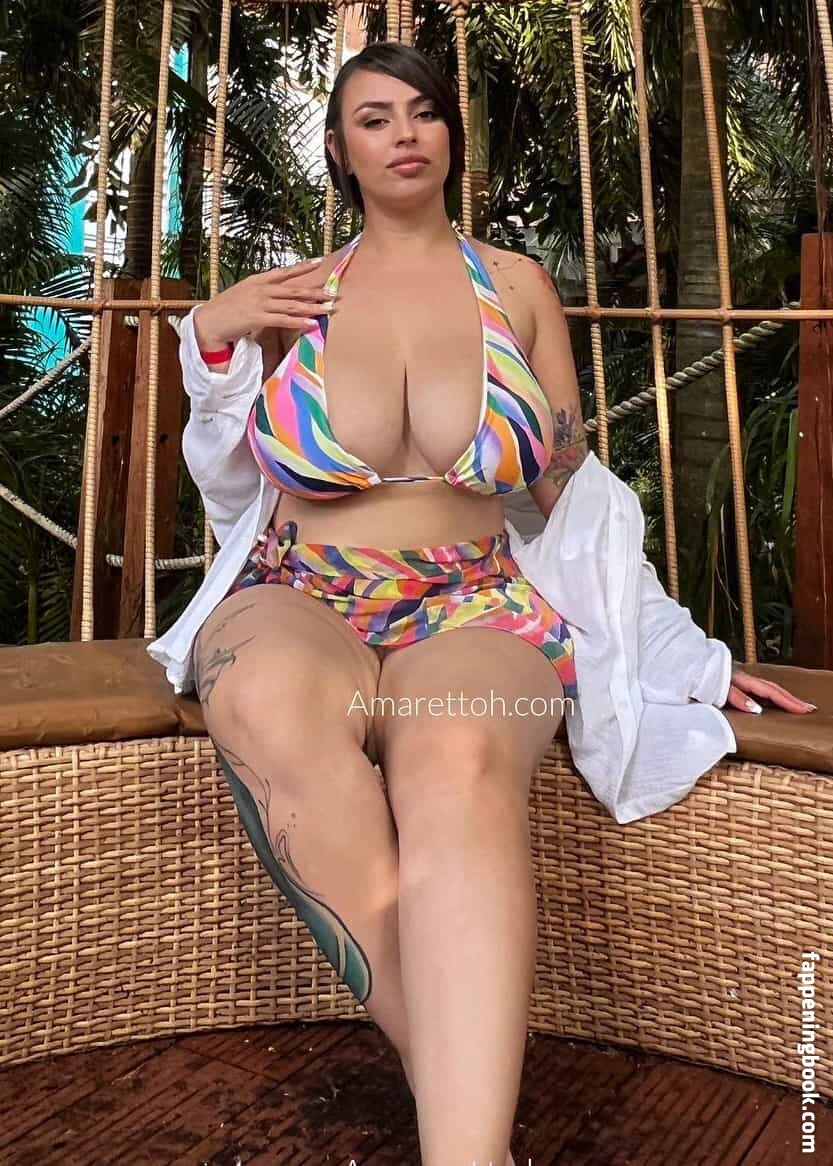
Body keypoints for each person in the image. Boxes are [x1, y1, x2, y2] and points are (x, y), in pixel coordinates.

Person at [148, 41, 815, 1166]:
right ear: (339, 149)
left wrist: (681, 652)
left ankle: (462, 1149)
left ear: (451, 135)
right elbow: (224, 473)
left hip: (472, 600)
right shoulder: (294, 296)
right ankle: (464, 1104)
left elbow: (572, 494)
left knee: (456, 757)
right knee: (260, 698)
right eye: (373, 118)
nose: (403, 134)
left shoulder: (515, 287)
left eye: (422, 112)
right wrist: (210, 340)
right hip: (299, 588)